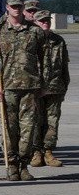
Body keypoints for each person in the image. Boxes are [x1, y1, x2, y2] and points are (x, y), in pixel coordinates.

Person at [0, 0, 47, 182]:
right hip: (7, 89)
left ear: (23, 8)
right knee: (9, 130)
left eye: (19, 6)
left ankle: (23, 165)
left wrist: (43, 83)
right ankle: (12, 165)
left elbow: (43, 60)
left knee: (28, 130)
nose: (16, 8)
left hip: (29, 89)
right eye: (12, 5)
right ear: (6, 7)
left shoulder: (35, 31)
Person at [31, 10, 69, 168]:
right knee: (35, 121)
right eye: (42, 21)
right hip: (35, 88)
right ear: (36, 23)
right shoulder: (31, 40)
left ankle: (48, 151)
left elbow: (64, 67)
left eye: (47, 20)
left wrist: (64, 87)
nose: (45, 23)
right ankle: (36, 152)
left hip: (55, 88)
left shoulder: (58, 41)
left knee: (52, 122)